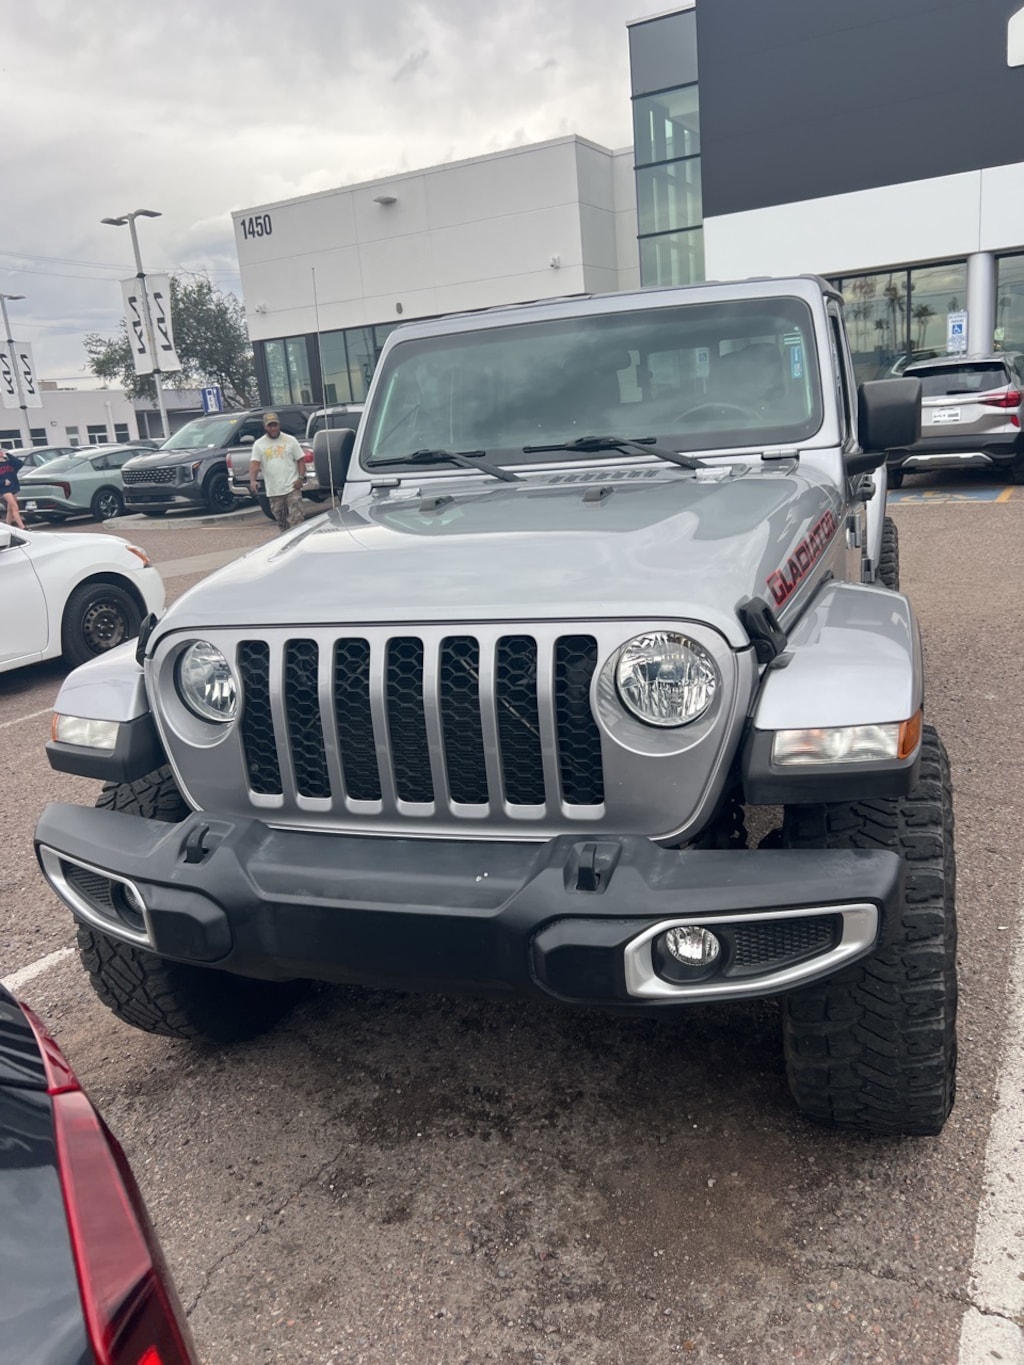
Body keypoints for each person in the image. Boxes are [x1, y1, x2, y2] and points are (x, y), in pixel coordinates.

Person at [248, 413, 305, 533]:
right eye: (270, 426)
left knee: (297, 520)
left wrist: (300, 478)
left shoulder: (290, 440)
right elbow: (255, 464)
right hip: (274, 490)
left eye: (275, 425)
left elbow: (300, 460)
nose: (273, 428)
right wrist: (253, 480)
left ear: (279, 425)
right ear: (265, 427)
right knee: (282, 522)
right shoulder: (259, 444)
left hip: (291, 487)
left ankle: (298, 543)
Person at [0, 448, 25, 529]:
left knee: (10, 508)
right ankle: (22, 527)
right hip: (4, 488)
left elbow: (20, 463)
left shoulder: (9, 462)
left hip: (13, 487)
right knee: (15, 506)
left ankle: (7, 526)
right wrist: (3, 482)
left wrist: (8, 454)